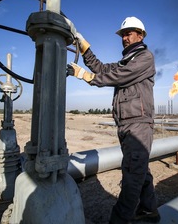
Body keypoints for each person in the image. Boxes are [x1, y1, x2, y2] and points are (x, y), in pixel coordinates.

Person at [66, 16, 160, 224]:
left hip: (138, 124)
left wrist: (83, 75)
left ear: (140, 35)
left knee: (132, 176)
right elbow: (102, 69)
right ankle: (149, 210)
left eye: (128, 33)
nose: (125, 38)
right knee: (140, 170)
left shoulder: (145, 57)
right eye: (123, 35)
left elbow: (117, 77)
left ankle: (118, 219)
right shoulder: (125, 61)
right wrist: (84, 47)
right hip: (126, 124)